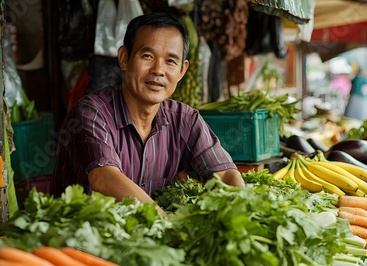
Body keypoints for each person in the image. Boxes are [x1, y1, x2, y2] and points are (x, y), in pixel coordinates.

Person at [51, 13, 245, 215]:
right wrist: (166, 221)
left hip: (145, 239)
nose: (158, 70)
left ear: (181, 71)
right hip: (81, 239)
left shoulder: (185, 119)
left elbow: (224, 175)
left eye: (170, 61)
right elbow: (103, 177)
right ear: (124, 58)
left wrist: (237, 213)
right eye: (147, 56)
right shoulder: (91, 113)